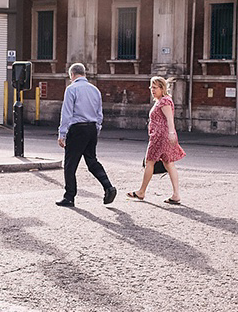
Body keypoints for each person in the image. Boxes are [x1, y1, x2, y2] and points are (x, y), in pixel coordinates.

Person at [56, 63, 117, 207]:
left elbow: (67, 113)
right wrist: (96, 129)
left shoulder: (71, 89)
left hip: (77, 129)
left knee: (70, 164)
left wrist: (62, 133)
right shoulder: (95, 90)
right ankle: (108, 187)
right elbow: (99, 113)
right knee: (92, 161)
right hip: (91, 128)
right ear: (83, 73)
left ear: (72, 75)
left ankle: (69, 197)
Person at [126, 76, 185, 204]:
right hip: (161, 136)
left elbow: (170, 119)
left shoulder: (164, 102)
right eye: (151, 87)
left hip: (160, 137)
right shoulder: (162, 101)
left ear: (162, 88)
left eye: (155, 87)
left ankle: (141, 191)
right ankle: (175, 195)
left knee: (150, 162)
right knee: (168, 163)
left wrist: (171, 133)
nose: (152, 90)